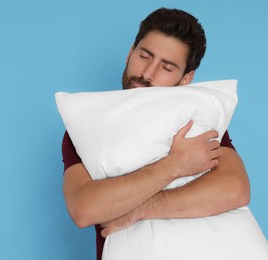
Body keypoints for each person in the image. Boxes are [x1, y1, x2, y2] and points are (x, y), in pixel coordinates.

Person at [61, 8, 250, 260]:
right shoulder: (87, 127)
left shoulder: (197, 122)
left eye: (167, 67)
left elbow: (235, 189)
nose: (147, 73)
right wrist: (175, 165)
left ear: (186, 79)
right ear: (130, 52)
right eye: (144, 56)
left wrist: (140, 210)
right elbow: (84, 209)